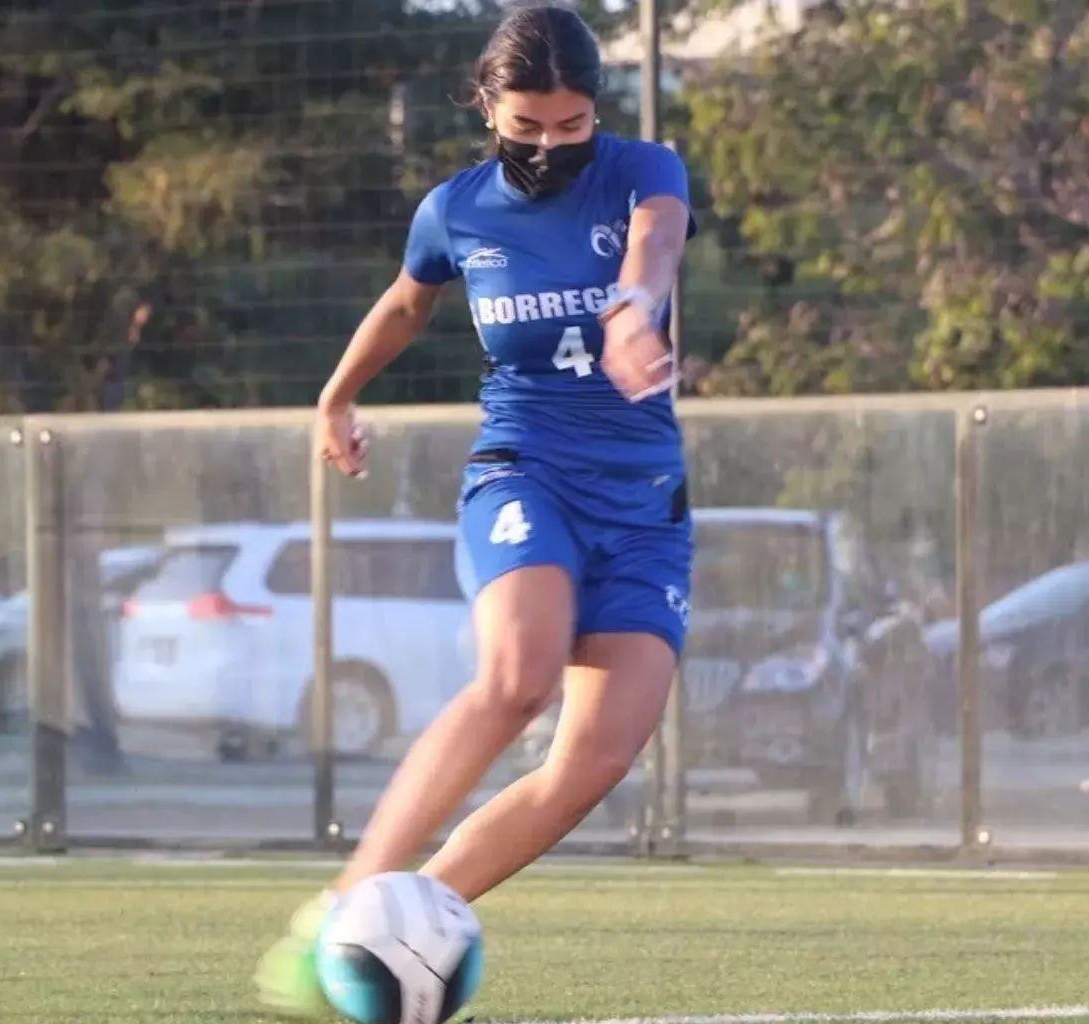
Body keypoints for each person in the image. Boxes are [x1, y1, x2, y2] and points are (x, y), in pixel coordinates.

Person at [253, 4, 697, 1015]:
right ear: (487, 104)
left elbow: (656, 245)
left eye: (570, 125)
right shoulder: (455, 208)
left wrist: (635, 307)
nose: (548, 145)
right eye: (527, 125)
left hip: (643, 503)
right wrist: (336, 394)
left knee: (593, 759)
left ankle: (392, 933)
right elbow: (410, 303)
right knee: (518, 676)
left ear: (598, 112)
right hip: (524, 469)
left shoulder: (645, 171)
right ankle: (342, 905)